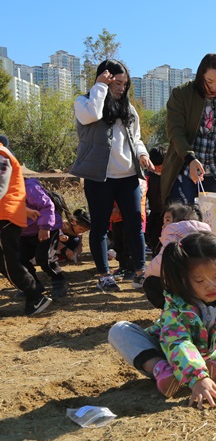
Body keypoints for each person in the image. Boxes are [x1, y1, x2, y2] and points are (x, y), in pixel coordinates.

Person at [109, 232, 216, 407]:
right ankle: (161, 369)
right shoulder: (175, 306)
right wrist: (197, 377)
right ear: (183, 279)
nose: (211, 285)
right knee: (120, 330)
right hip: (169, 352)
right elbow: (178, 341)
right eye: (199, 280)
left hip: (215, 354)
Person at [71, 60, 152, 292]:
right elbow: (93, 114)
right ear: (104, 79)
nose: (121, 88)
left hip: (128, 177)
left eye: (124, 84)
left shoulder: (129, 109)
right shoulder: (84, 102)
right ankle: (104, 275)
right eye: (116, 82)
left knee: (135, 224)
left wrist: (143, 155)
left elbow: (136, 139)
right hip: (99, 178)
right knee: (99, 227)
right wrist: (99, 87)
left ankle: (139, 272)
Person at [162, 53, 216, 206]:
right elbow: (175, 131)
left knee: (214, 224)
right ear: (200, 76)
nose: (214, 87)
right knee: (184, 223)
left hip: (215, 171)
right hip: (185, 169)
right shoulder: (181, 94)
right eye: (209, 81)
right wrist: (190, 158)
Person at [0, 136, 53, 314]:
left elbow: (1, 188)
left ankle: (35, 295)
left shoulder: (2, 154)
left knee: (11, 263)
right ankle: (34, 293)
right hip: (6, 216)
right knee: (5, 262)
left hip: (5, 219)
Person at [143, 203, 210, 309]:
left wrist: (147, 274)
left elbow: (160, 265)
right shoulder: (207, 235)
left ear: (180, 221)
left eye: (167, 220)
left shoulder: (172, 235)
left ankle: (172, 310)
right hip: (209, 288)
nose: (163, 225)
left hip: (185, 289)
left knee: (150, 283)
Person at [19, 178, 69, 299]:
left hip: (47, 229)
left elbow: (46, 205)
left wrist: (45, 227)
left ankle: (59, 281)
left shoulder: (29, 186)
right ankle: (34, 285)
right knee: (20, 260)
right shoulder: (5, 190)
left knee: (45, 258)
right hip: (25, 232)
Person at [144, 146, 166, 252]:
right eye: (155, 166)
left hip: (166, 212)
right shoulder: (147, 176)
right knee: (152, 234)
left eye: (160, 165)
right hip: (153, 211)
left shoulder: (169, 176)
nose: (158, 168)